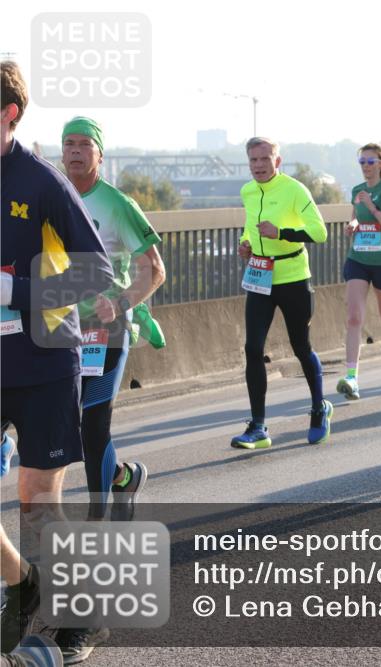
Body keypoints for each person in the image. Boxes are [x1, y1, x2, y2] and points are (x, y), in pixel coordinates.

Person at [1, 60, 114, 658]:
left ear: (9, 114)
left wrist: (13, 291)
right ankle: (25, 584)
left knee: (39, 503)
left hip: (43, 363)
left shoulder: (42, 182)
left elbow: (97, 275)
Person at [61, 117, 165, 521]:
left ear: (100, 155)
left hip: (107, 329)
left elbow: (154, 270)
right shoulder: (52, 197)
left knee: (94, 421)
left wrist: (120, 304)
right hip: (61, 329)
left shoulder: (118, 205)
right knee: (70, 424)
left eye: (84, 144)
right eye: (69, 143)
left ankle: (96, 520)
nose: (75, 151)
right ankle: (123, 477)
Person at [232, 137, 332, 449]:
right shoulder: (248, 191)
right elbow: (250, 226)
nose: (259, 166)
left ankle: (319, 408)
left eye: (265, 159)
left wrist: (281, 233)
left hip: (293, 278)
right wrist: (246, 243)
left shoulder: (294, 190)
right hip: (260, 277)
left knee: (301, 347)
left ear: (277, 161)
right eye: (253, 160)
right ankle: (258, 427)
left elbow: (320, 232)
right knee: (252, 348)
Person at [336, 143, 381, 400]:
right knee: (354, 317)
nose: (366, 166)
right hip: (358, 259)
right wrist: (352, 225)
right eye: (362, 162)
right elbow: (355, 217)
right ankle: (352, 377)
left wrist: (374, 208)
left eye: (370, 162)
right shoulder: (357, 191)